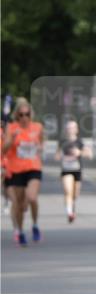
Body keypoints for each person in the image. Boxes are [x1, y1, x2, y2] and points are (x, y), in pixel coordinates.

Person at [2, 98, 45, 246]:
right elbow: (4, 150)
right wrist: (11, 140)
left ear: (31, 114)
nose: (24, 117)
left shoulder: (38, 127)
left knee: (32, 197)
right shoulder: (12, 128)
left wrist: (40, 148)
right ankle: (20, 231)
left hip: (33, 167)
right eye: (21, 115)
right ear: (16, 115)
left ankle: (35, 225)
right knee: (19, 205)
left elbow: (41, 143)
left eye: (27, 114)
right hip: (16, 169)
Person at [59, 119, 92, 223]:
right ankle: (69, 213)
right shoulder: (62, 142)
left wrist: (79, 152)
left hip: (77, 170)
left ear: (76, 130)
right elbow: (56, 155)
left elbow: (89, 155)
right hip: (66, 170)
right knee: (68, 191)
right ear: (66, 130)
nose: (70, 130)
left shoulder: (80, 142)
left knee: (75, 194)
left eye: (73, 128)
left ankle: (71, 207)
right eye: (69, 128)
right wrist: (60, 155)